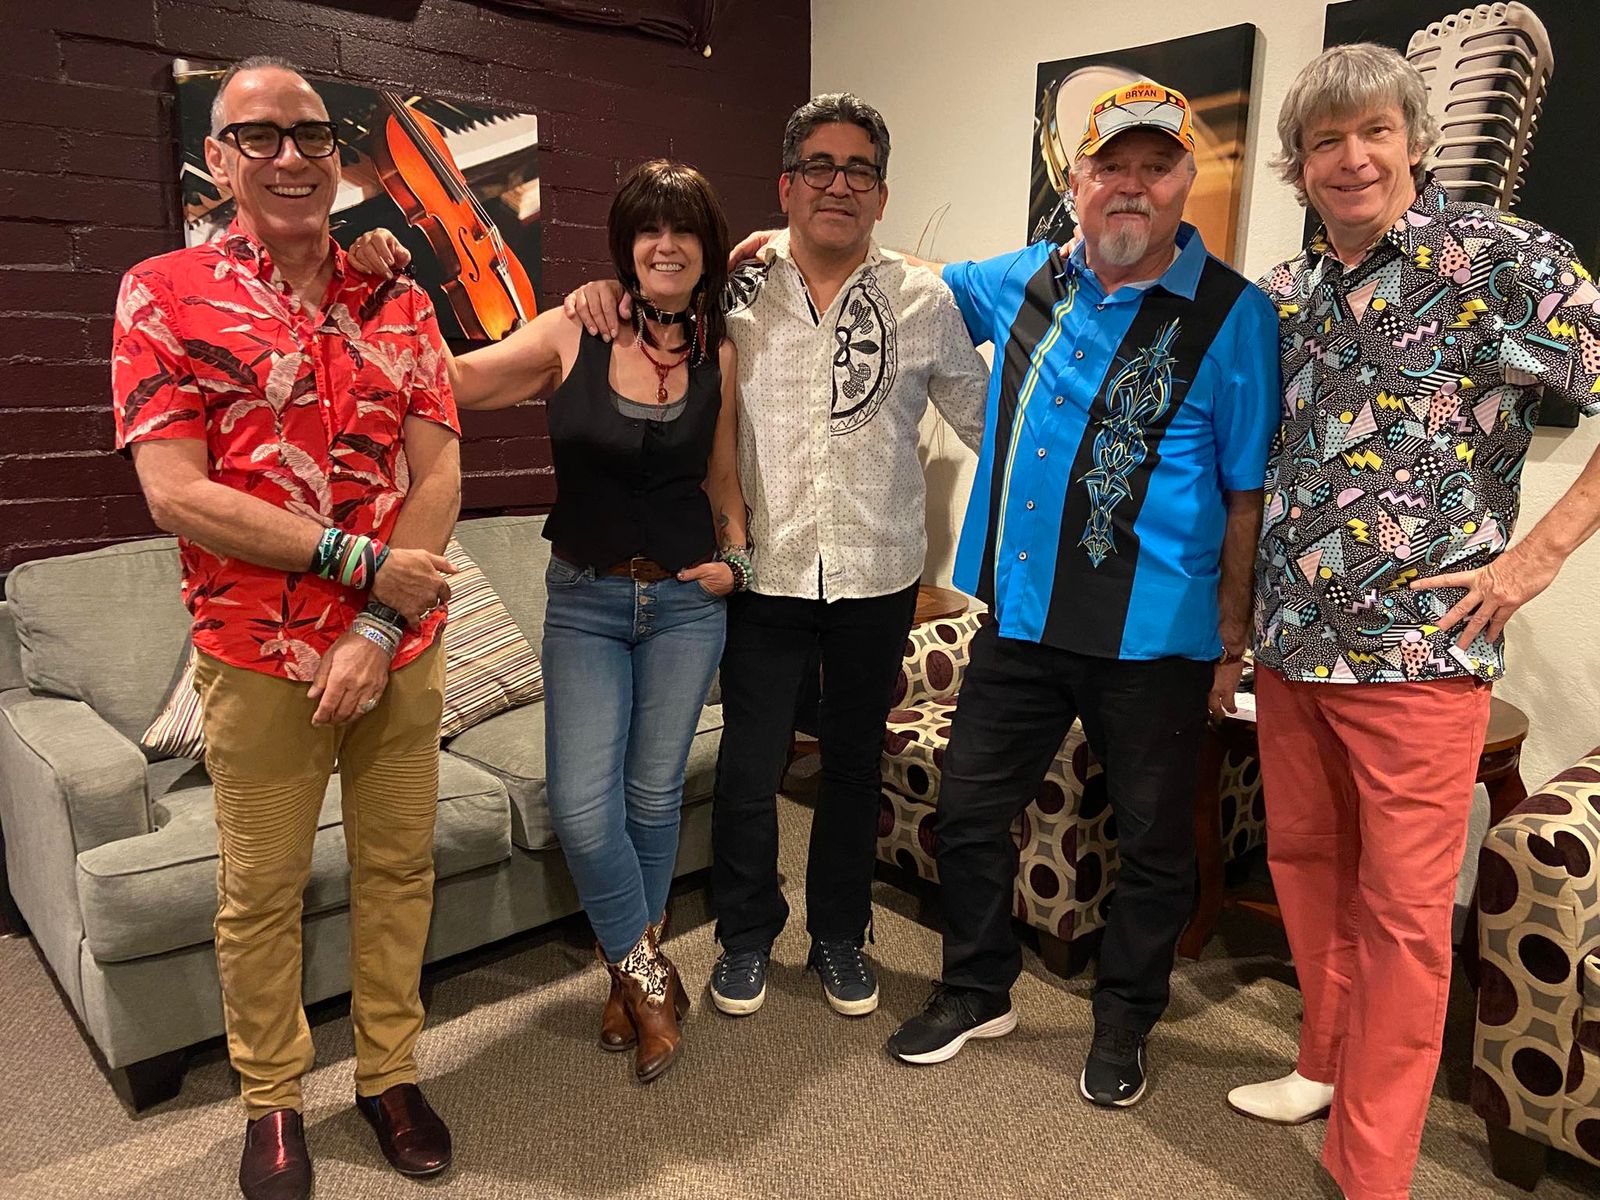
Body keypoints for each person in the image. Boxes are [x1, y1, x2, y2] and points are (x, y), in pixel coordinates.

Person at [1226, 43, 1600, 1200]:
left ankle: (1372, 1164)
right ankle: (1320, 1061)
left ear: (1415, 142)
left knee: (1400, 915)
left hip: (1419, 653)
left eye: (1373, 132)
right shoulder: (1282, 293)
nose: (1351, 158)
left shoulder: (1497, 259)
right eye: (1325, 141)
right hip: (1291, 642)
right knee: (1304, 863)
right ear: (1297, 165)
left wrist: (1538, 555)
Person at [880, 81, 1281, 1111]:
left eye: (1156, 167)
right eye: (1111, 166)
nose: (1131, 186)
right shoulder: (1025, 278)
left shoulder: (1235, 316)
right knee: (968, 813)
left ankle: (1125, 1018)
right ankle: (978, 989)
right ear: (1077, 182)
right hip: (1019, 622)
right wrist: (786, 245)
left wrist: (1232, 640)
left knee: (1153, 847)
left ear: (1186, 181)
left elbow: (1245, 494)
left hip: (1157, 639)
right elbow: (914, 276)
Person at [112, 57, 460, 1200]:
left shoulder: (399, 297)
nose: (290, 157)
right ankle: (272, 1101)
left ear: (337, 156)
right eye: (257, 137)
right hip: (256, 657)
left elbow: (440, 470)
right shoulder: (162, 293)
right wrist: (356, 562)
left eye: (310, 135)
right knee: (261, 891)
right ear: (218, 160)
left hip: (397, 648)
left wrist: (375, 622)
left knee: (398, 870)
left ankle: (389, 1075)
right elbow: (174, 492)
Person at [569, 93, 989, 1021]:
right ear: (787, 186)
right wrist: (597, 293)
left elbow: (989, 422)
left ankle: (839, 933)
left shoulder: (925, 302)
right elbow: (652, 294)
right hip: (766, 571)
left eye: (860, 171)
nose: (840, 185)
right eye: (819, 168)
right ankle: (747, 934)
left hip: (880, 573)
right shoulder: (734, 293)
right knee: (751, 769)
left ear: (882, 195)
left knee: (853, 767)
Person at [353, 158, 747, 1083]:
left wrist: (738, 561)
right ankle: (648, 976)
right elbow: (454, 380)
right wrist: (391, 286)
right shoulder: (575, 328)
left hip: (687, 606)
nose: (665, 245)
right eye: (648, 229)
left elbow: (723, 479)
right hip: (586, 601)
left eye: (683, 230)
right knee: (580, 805)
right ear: (625, 247)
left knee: (653, 798)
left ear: (706, 250)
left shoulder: (720, 354)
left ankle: (625, 983)